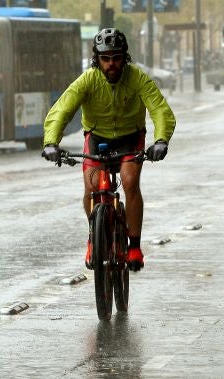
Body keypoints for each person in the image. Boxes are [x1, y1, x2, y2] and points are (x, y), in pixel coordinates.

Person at [41, 28, 176, 272]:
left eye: (116, 58)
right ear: (97, 59)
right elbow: (63, 109)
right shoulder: (88, 80)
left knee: (129, 180)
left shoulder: (138, 78)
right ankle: (94, 237)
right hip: (97, 138)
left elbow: (159, 109)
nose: (111, 64)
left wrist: (161, 140)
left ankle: (134, 245)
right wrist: (51, 142)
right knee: (92, 186)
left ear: (125, 58)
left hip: (130, 138)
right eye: (105, 58)